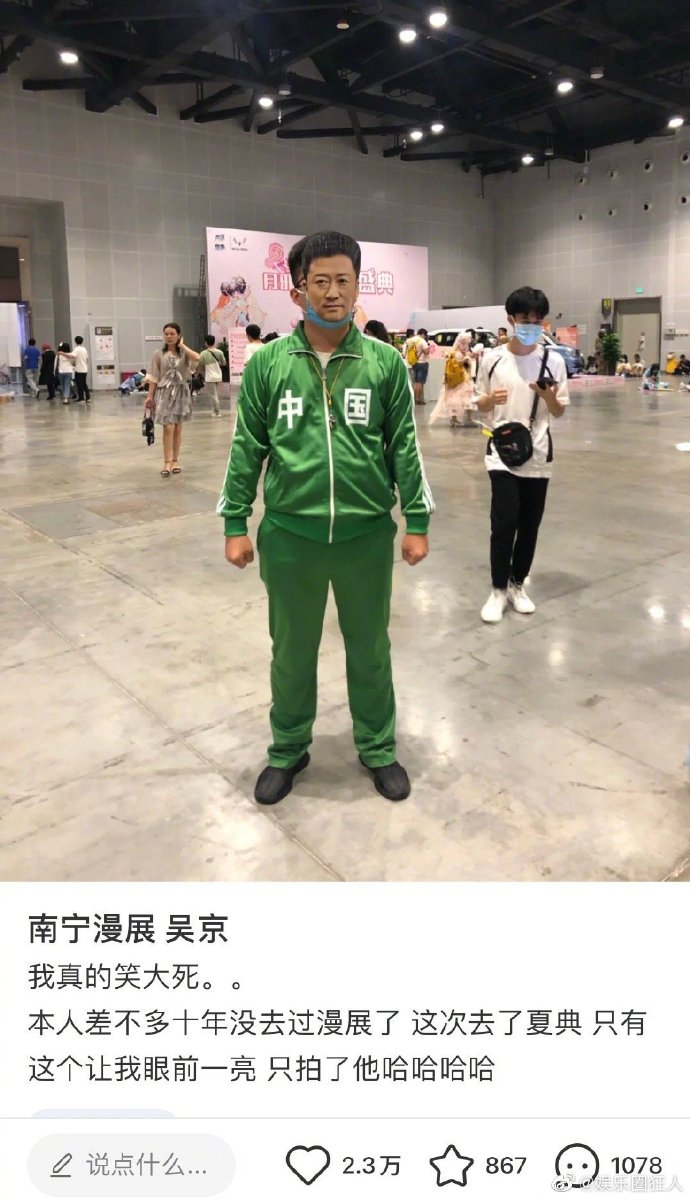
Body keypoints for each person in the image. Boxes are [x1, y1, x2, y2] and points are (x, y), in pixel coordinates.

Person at [218, 230, 434, 805]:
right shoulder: (268, 365)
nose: (333, 292)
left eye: (343, 281)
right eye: (320, 281)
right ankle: (288, 748)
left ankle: (378, 747)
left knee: (370, 648)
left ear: (358, 288)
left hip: (366, 535)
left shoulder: (384, 363)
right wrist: (235, 523)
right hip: (291, 536)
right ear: (298, 291)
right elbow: (247, 448)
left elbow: (404, 447)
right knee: (291, 651)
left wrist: (416, 519)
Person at [474, 286, 569, 624]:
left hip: (538, 454)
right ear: (511, 320)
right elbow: (479, 403)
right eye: (525, 320)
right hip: (500, 453)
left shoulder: (553, 361)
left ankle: (517, 584)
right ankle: (498, 589)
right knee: (504, 522)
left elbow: (559, 411)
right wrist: (489, 401)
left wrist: (548, 397)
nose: (532, 326)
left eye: (537, 321)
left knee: (529, 525)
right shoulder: (492, 358)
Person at [145, 323, 200, 476]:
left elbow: (197, 358)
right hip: (164, 393)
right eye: (166, 334)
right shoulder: (158, 354)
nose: (169, 337)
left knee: (178, 428)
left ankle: (175, 460)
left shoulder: (184, 354)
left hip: (181, 392)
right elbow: (154, 377)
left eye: (172, 334)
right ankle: (167, 462)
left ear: (179, 335)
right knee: (168, 427)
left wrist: (183, 346)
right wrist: (150, 396)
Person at [429, 332, 474, 428]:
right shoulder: (457, 353)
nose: (465, 346)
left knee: (456, 399)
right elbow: (459, 363)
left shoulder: (454, 352)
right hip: (460, 379)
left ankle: (457, 419)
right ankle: (465, 419)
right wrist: (466, 358)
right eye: (463, 343)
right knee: (462, 399)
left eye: (466, 343)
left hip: (456, 379)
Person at [196, 334, 226, 416]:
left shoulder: (203, 353)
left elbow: (201, 365)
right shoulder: (220, 352)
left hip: (210, 376)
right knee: (215, 394)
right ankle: (214, 411)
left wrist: (197, 373)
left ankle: (217, 411)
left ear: (206, 342)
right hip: (218, 375)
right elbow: (224, 363)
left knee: (213, 395)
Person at [402, 327, 431, 404]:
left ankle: (414, 398)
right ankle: (418, 399)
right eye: (425, 335)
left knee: (415, 382)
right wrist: (428, 348)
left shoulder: (409, 340)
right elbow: (426, 352)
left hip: (413, 363)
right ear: (423, 334)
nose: (425, 337)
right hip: (422, 363)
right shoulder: (422, 341)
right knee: (420, 382)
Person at [72, 335, 91, 402]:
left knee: (79, 384)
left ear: (75, 341)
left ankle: (81, 398)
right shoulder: (84, 349)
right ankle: (88, 397)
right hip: (84, 369)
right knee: (84, 383)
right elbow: (87, 359)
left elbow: (72, 356)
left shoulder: (76, 349)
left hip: (78, 369)